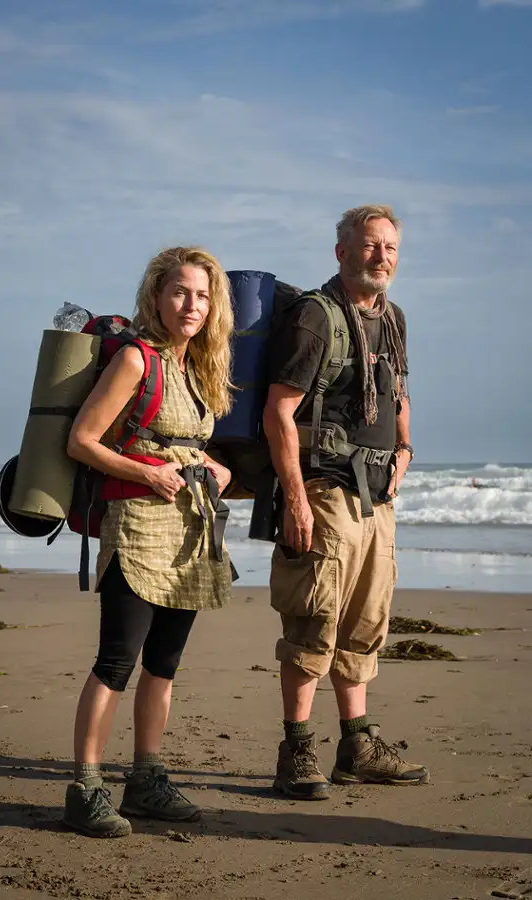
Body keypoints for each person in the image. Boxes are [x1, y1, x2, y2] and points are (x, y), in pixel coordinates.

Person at [63, 247, 235, 837]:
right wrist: (148, 474)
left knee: (164, 663)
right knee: (117, 659)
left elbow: (176, 441)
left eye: (204, 295)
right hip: (136, 524)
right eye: (182, 292)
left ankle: (146, 780)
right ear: (157, 297)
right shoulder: (137, 360)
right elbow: (83, 441)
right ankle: (85, 787)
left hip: (188, 528)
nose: (193, 305)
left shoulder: (197, 367)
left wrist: (217, 469)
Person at [263, 205, 429, 799]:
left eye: (390, 248)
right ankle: (297, 750)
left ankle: (356, 746)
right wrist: (295, 501)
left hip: (377, 494)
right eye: (369, 246)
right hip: (325, 489)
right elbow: (278, 411)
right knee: (314, 619)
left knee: (364, 624)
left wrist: (406, 449)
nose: (381, 256)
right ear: (342, 252)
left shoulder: (394, 318)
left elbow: (399, 388)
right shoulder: (316, 316)